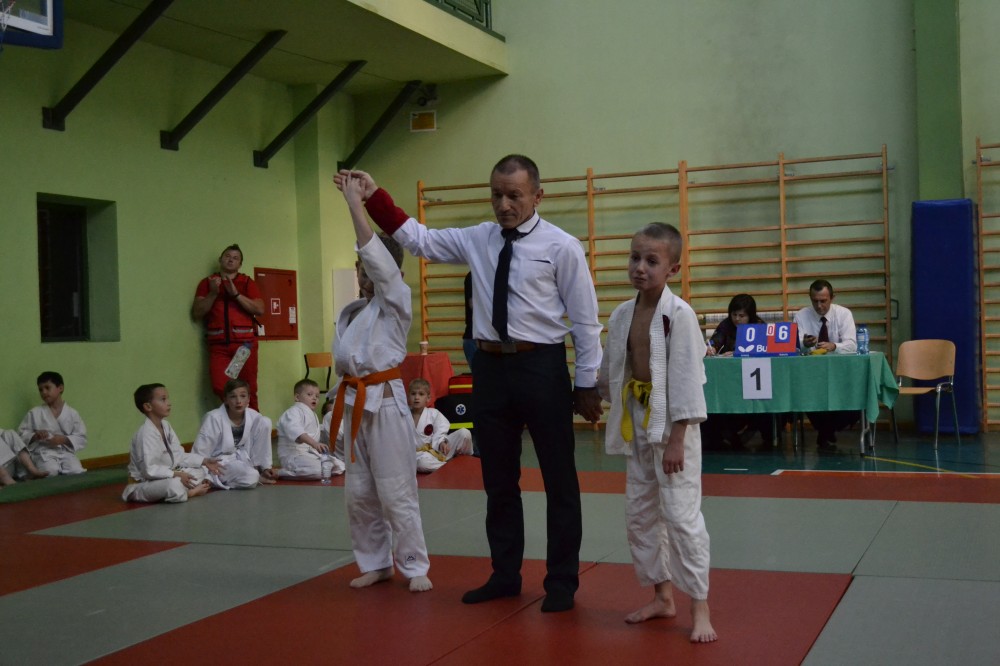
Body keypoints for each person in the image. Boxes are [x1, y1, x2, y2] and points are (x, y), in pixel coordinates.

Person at [340, 154, 604, 613]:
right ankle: (504, 575)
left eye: (514, 196)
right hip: (491, 368)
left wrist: (586, 384)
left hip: (542, 366)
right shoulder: (479, 238)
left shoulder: (562, 247)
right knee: (498, 480)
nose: (504, 204)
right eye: (497, 195)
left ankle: (562, 581)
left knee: (560, 480)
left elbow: (585, 322)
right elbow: (417, 238)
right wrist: (373, 196)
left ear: (538, 196)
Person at [598, 222, 717, 643]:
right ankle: (662, 597)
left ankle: (699, 606)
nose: (640, 268)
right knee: (641, 513)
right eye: (635, 258)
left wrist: (677, 439)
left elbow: (687, 379)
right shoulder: (621, 314)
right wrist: (593, 395)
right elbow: (612, 369)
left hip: (673, 426)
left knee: (681, 516)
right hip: (638, 421)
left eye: (652, 261)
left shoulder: (679, 315)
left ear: (673, 269)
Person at [327, 172, 432, 593]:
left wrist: (356, 205)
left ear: (389, 271)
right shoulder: (353, 312)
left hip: (386, 403)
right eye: (359, 270)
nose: (363, 276)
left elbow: (380, 265)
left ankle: (414, 564)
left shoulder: (396, 301)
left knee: (396, 490)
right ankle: (376, 562)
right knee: (359, 493)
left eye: (368, 268)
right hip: (355, 402)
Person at [191, 244, 265, 411]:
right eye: (227, 256)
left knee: (248, 389)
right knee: (220, 386)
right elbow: (197, 313)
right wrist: (213, 293)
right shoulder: (207, 283)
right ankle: (233, 420)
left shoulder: (246, 282)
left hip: (244, 346)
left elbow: (260, 309)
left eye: (235, 258)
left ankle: (253, 423)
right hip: (219, 347)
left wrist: (236, 294)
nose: (231, 260)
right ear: (220, 260)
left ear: (240, 264)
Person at [122, 383, 222, 503]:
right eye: (163, 399)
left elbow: (179, 455)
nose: (169, 403)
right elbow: (149, 470)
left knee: (200, 471)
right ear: (148, 406)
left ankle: (181, 489)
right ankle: (189, 492)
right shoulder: (145, 434)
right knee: (174, 485)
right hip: (144, 484)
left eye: (168, 398)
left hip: (166, 477)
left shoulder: (166, 426)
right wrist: (175, 474)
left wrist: (204, 461)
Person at [793, 279, 859, 449]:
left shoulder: (844, 314)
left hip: (841, 374)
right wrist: (804, 343)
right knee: (805, 394)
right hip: (812, 375)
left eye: (823, 301)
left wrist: (834, 346)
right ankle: (827, 431)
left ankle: (825, 431)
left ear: (832, 298)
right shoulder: (801, 316)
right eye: (815, 301)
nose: (819, 305)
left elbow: (852, 345)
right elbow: (794, 346)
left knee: (856, 398)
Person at [702, 294, 773, 449]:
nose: (737, 319)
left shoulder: (759, 325)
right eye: (734, 314)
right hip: (729, 378)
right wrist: (711, 348)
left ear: (750, 315)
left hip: (754, 380)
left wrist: (738, 353)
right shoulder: (726, 324)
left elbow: (765, 350)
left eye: (742, 316)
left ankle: (763, 434)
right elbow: (716, 340)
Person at [192, 378, 276, 488]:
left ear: (248, 399)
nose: (238, 401)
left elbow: (261, 444)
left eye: (243, 396)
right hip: (217, 463)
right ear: (225, 400)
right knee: (250, 476)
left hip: (242, 462)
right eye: (233, 396)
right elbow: (200, 451)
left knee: (265, 421)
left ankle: (259, 470)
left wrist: (265, 467)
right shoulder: (213, 418)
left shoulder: (254, 417)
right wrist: (204, 473)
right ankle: (212, 479)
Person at [18, 371, 87, 477]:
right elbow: (21, 435)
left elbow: (81, 437)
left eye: (47, 388)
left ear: (60, 388)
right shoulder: (35, 413)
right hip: (44, 453)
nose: (44, 392)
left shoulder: (72, 413)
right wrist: (35, 436)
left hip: (66, 452)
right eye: (40, 390)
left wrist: (64, 439)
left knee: (76, 471)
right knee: (50, 472)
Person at [276, 379, 343, 479]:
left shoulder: (312, 414)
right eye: (309, 394)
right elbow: (296, 431)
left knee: (339, 465)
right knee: (318, 470)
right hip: (293, 455)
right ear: (297, 397)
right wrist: (315, 444)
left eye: (317, 396)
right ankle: (280, 473)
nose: (314, 398)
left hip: (309, 454)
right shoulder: (292, 412)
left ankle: (303, 470)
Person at [408, 378, 473, 473]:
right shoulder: (403, 416)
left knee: (465, 433)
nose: (417, 397)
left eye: (421, 394)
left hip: (439, 449)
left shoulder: (433, 413)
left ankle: (467, 460)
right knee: (422, 464)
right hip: (420, 456)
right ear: (408, 397)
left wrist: (442, 442)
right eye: (413, 394)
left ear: (428, 398)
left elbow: (441, 430)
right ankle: (450, 466)